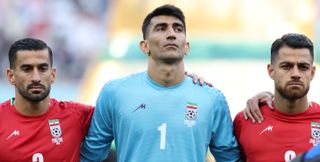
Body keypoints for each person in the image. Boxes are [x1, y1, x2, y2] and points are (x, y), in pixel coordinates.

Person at [80, 4, 240, 162]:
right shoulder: (114, 93)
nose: (171, 34)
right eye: (161, 28)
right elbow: (90, 156)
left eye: (178, 29)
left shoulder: (211, 98)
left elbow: (230, 158)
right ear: (144, 46)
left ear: (186, 47)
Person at [0, 38, 94, 161]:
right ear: (11, 76)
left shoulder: (78, 116)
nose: (36, 77)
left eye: (42, 69)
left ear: (53, 75)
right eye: (27, 69)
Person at [233, 33, 320, 162]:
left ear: (312, 73)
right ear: (271, 71)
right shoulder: (246, 120)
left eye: (303, 67)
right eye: (286, 66)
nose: (296, 74)